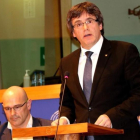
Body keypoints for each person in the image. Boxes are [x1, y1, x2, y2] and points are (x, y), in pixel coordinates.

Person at [51, 2, 140, 140]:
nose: (85, 28)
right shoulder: (66, 62)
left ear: (100, 25)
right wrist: (64, 119)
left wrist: (112, 116)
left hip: (120, 134)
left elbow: (138, 95)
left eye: (89, 21)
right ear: (73, 32)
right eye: (79, 24)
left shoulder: (124, 52)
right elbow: (67, 103)